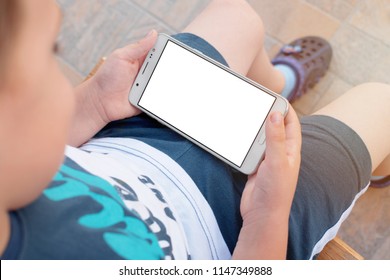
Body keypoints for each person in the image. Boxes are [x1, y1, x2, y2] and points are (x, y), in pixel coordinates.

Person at [0, 0, 389, 260]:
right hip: (237, 232)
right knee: (381, 103)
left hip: (126, 139)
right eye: (51, 53)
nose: (63, 84)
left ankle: (278, 86)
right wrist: (267, 216)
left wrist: (94, 101)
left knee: (235, 14)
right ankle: (376, 167)